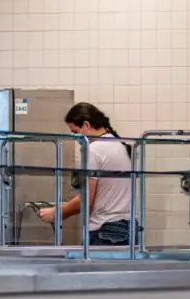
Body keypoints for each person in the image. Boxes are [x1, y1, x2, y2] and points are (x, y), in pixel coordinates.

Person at [38, 102, 133, 246]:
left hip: (105, 230)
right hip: (128, 226)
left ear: (86, 125)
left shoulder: (93, 150)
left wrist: (57, 213)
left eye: (75, 132)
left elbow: (86, 199)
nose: (74, 137)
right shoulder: (117, 144)